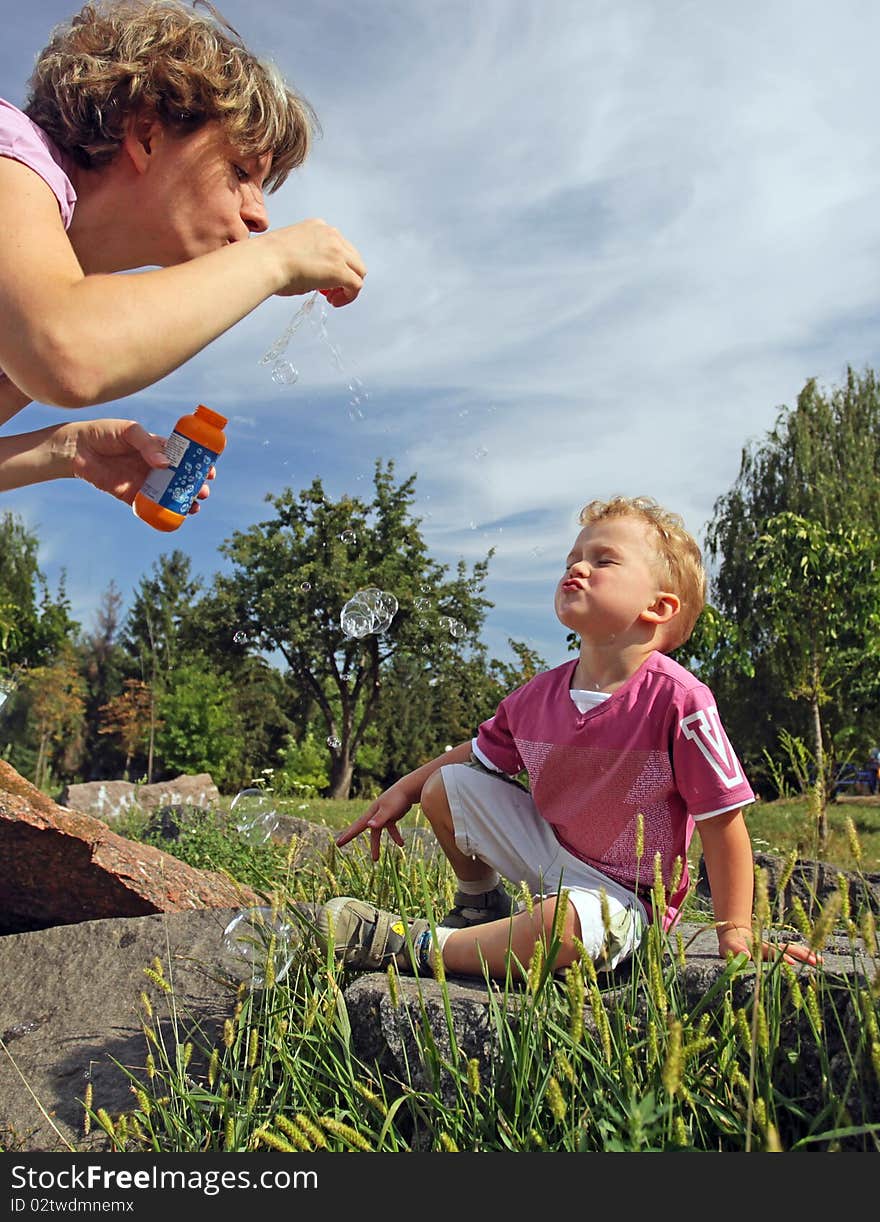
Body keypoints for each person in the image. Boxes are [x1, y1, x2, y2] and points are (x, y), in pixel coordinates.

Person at [313, 495, 818, 979]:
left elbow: (723, 821)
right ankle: (479, 907)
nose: (577, 567)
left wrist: (737, 929)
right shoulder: (538, 695)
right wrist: (405, 789)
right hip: (552, 852)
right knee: (446, 787)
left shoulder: (680, 701)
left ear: (659, 607)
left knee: (563, 928)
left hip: (627, 896)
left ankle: (412, 944)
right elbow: (480, 755)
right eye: (573, 557)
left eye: (604, 560)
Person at [0, 0, 365, 509]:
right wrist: (275, 260)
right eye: (241, 172)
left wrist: (64, 452)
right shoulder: (9, 151)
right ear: (148, 134)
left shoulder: (40, 294)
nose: (260, 216)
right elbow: (67, 355)